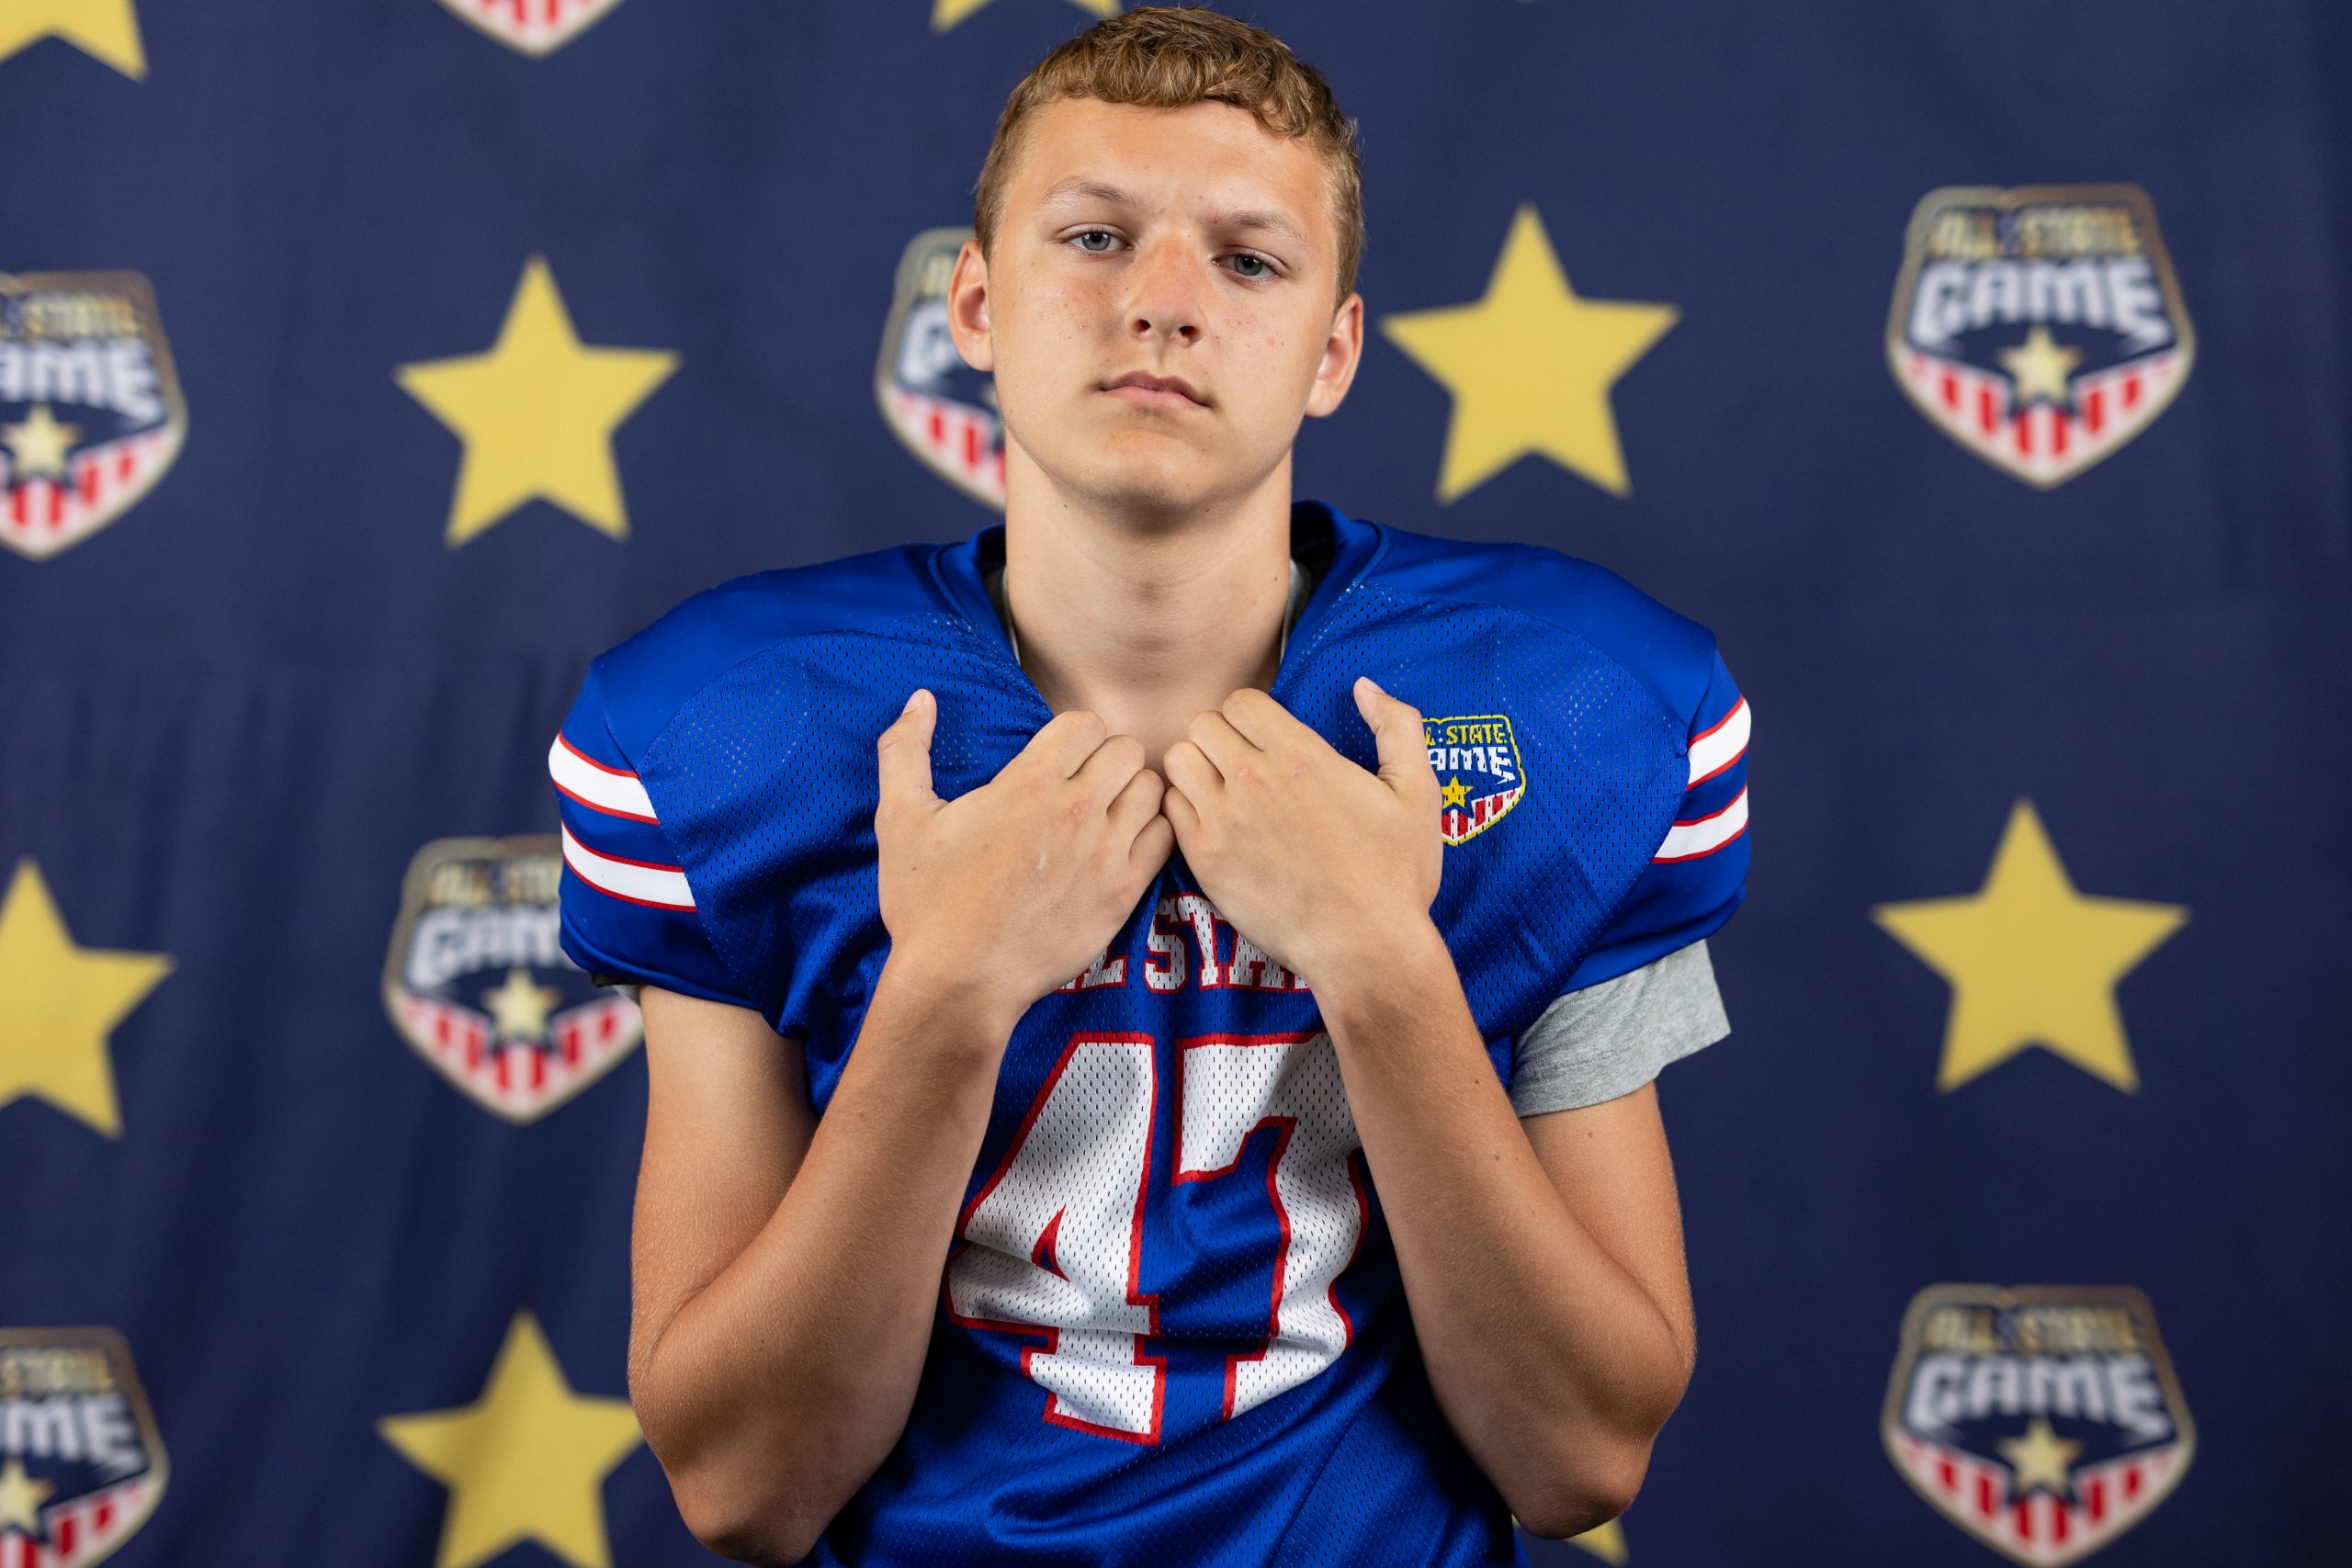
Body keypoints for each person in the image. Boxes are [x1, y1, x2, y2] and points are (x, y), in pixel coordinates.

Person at [548, 9, 1750, 1564]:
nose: (1164, 304)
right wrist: (947, 992)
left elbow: (1581, 1455)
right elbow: (742, 1488)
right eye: (1096, 236)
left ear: (1333, 351)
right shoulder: (740, 727)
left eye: (1247, 260)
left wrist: (1383, 965)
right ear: (976, 302)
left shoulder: (1572, 707)